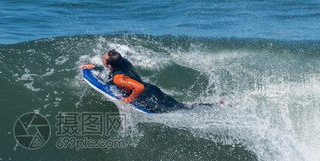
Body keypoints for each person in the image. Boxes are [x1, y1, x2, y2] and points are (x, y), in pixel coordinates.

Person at [82, 50, 224, 113]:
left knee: (180, 110)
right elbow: (115, 72)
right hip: (152, 89)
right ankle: (216, 105)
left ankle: (214, 108)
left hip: (147, 97)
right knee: (180, 106)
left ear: (110, 65)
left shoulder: (118, 78)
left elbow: (138, 88)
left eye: (104, 58)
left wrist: (127, 100)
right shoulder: (122, 61)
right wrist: (96, 67)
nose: (102, 56)